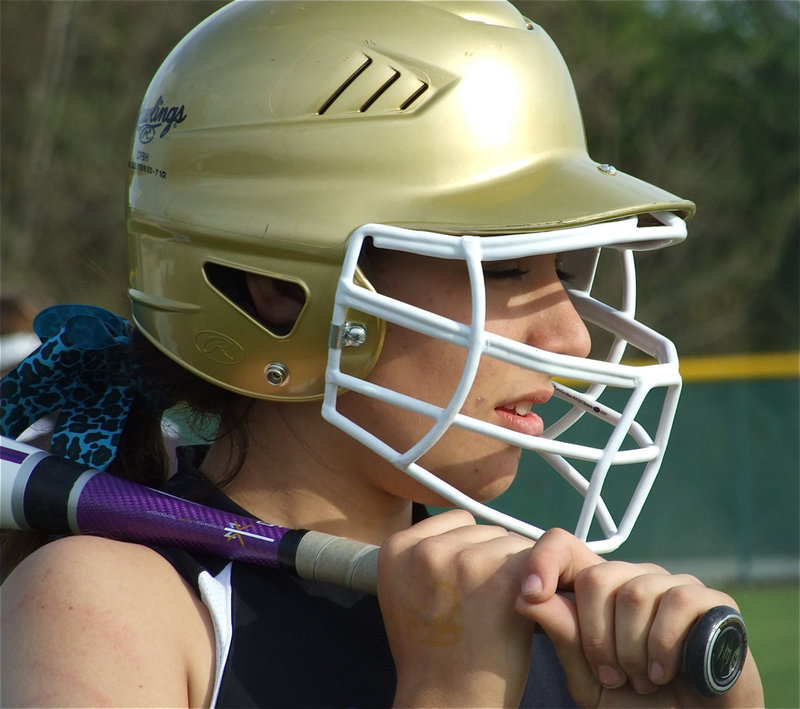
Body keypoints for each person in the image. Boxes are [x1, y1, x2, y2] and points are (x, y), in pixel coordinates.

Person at [0, 1, 763, 707]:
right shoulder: (106, 605)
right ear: (280, 289)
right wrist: (446, 692)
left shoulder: (551, 620)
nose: (571, 339)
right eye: (502, 268)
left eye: (566, 272)